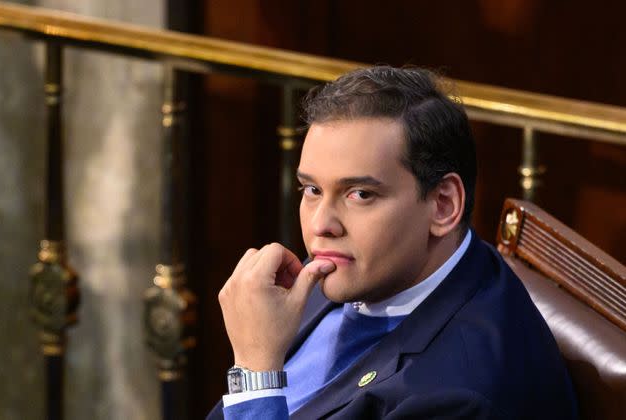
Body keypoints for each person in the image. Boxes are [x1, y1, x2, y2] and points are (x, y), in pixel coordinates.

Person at [207, 66, 577, 419]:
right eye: (313, 189)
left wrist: (255, 374)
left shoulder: (461, 398)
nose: (321, 224)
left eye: (361, 194)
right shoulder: (369, 265)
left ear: (443, 205)